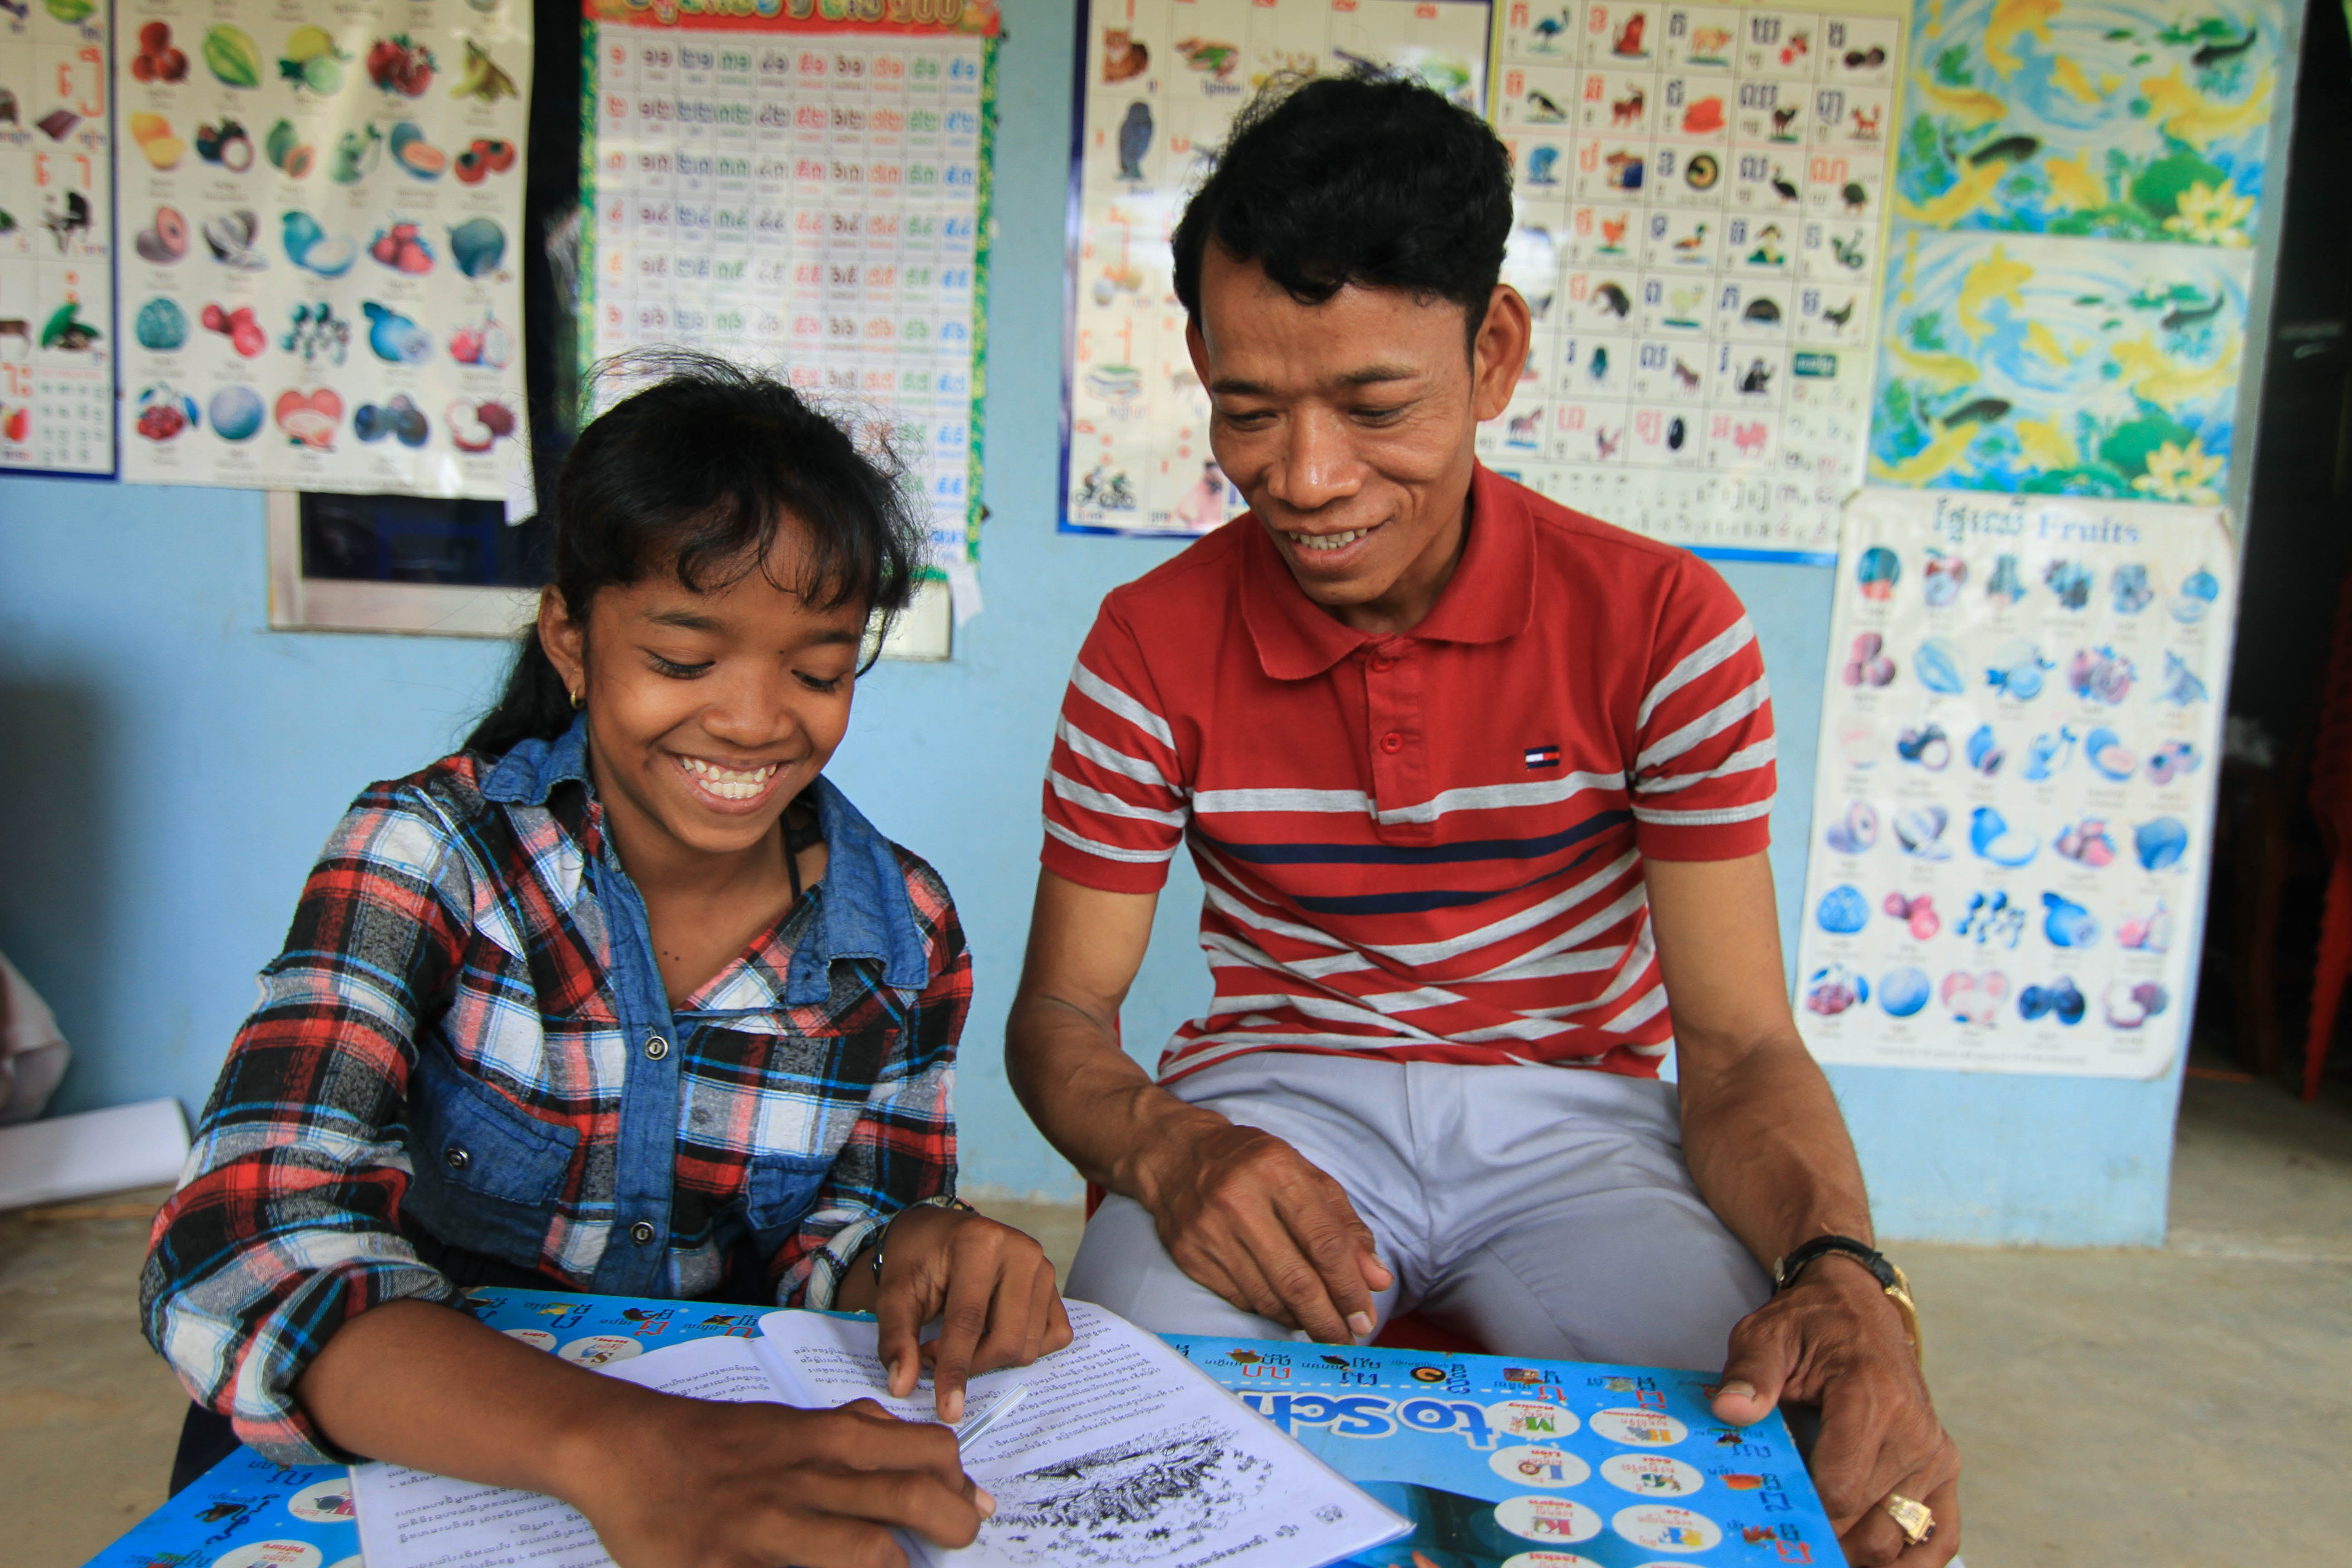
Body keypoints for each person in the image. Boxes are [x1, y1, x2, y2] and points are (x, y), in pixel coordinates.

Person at [1007, 74, 1959, 1567]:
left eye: (1375, 405)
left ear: (1493, 351)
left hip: (1586, 1136)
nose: (1307, 480)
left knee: (1787, 1482)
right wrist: (1169, 1149)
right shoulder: (1149, 646)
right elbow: (1064, 1012)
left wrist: (1843, 1270)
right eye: (1248, 411)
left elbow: (1738, 1050)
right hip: (1273, 1110)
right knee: (1112, 1474)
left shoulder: (1665, 627)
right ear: (1198, 359)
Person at [143, 355, 1069, 1568]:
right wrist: (628, 1450)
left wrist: (913, 1253)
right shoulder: (431, 855)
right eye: (685, 661)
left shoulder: (899, 932)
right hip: (421, 1418)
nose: (751, 719)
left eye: (818, 668)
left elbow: (845, 1232)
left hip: (719, 1436)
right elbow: (243, 1241)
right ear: (572, 637)